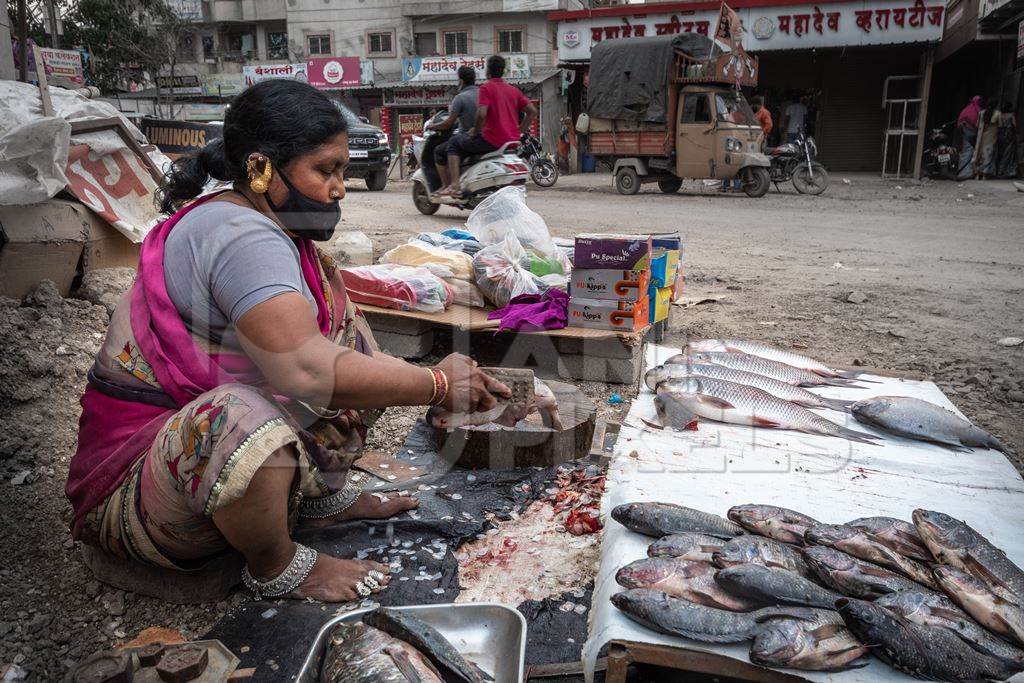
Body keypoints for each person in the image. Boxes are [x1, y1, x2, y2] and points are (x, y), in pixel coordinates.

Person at [65, 79, 510, 603]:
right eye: (326, 170)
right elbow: (304, 370)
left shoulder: (275, 230)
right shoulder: (239, 234)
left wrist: (419, 380)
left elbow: (333, 359)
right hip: (136, 500)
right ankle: (275, 563)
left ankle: (318, 497)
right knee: (239, 411)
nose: (340, 188)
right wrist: (436, 384)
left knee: (346, 334)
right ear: (260, 170)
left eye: (342, 170)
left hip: (184, 471)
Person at [440, 55, 537, 196]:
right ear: (503, 71)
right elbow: (532, 111)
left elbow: (481, 114)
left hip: (492, 140)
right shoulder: (513, 90)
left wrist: (475, 131)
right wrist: (519, 131)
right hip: (512, 142)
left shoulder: (486, 88)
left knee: (454, 143)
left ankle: (454, 185)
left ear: (488, 71)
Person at [425, 65, 478, 191]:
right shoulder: (483, 93)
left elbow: (448, 123)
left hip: (467, 138)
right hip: (484, 137)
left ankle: (447, 185)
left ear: (461, 81)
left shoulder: (460, 98)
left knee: (438, 151)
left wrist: (433, 126)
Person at [956, 95, 982, 180]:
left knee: (965, 150)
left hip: (963, 132)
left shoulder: (966, 109)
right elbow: (978, 124)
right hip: (971, 133)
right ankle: (966, 173)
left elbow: (960, 121)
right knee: (969, 151)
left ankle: (961, 171)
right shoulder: (978, 110)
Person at [974, 98, 998, 180]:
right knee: (988, 155)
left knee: (979, 154)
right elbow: (1001, 126)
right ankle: (984, 174)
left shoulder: (981, 113)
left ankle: (977, 174)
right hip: (991, 137)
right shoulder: (998, 113)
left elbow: (977, 125)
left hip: (981, 137)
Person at [995, 100, 1018, 179]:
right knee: (1007, 154)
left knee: (1000, 153)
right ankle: (1004, 171)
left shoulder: (1000, 114)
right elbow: (1014, 125)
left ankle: (998, 170)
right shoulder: (1011, 115)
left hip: (1000, 134)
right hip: (1009, 135)